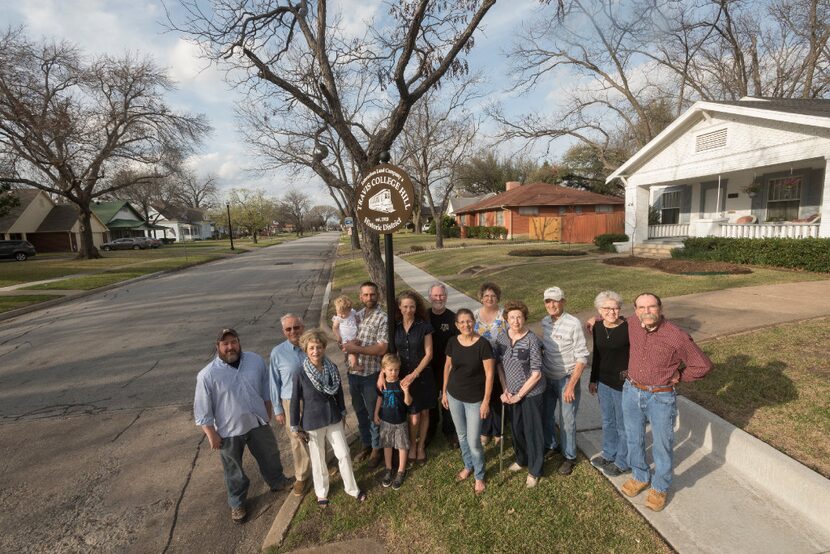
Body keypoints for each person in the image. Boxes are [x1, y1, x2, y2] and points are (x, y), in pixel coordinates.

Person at [620, 293, 712, 512]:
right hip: (631, 390)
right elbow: (614, 320)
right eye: (641, 307)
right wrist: (594, 321)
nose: (647, 311)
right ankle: (640, 475)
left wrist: (680, 374)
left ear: (660, 309)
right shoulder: (633, 323)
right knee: (633, 438)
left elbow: (702, 365)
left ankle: (660, 486)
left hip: (659, 396)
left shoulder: (676, 336)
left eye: (651, 307)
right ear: (636, 311)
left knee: (662, 444)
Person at [194, 328, 291, 524]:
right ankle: (237, 502)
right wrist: (211, 434)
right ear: (218, 347)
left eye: (234, 342)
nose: (230, 347)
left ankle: (278, 482)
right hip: (228, 431)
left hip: (257, 422)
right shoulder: (207, 375)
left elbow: (266, 386)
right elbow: (202, 409)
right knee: (233, 470)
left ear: (239, 342)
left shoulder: (254, 361)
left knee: (270, 455)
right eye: (225, 344)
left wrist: (268, 409)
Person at [291, 329, 367, 506]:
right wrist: (294, 425)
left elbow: (339, 391)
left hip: (333, 417)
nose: (315, 351)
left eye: (318, 347)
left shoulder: (331, 367)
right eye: (311, 348)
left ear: (324, 348)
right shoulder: (299, 372)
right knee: (318, 460)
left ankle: (352, 489)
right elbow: (295, 399)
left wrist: (342, 411)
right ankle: (322, 493)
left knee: (344, 453)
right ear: (305, 349)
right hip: (312, 421)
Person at [442, 308, 495, 496]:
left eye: (469, 321)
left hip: (475, 400)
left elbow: (490, 374)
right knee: (462, 436)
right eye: (462, 322)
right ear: (457, 325)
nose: (466, 325)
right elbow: (447, 367)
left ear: (474, 322)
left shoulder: (483, 344)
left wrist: (486, 401)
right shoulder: (452, 342)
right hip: (454, 395)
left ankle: (479, 475)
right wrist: (444, 392)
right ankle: (468, 465)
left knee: (473, 441)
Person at [495, 300, 545, 488]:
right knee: (516, 429)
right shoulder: (501, 338)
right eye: (512, 317)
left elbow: (536, 373)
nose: (516, 321)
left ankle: (535, 469)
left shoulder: (532, 340)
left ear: (525, 318)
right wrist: (506, 389)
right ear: (506, 319)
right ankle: (521, 459)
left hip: (531, 394)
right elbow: (500, 365)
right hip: (511, 392)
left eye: (519, 317)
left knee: (533, 432)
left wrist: (519, 395)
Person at [540, 286, 589, 476]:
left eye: (555, 300)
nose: (551, 305)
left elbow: (582, 357)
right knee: (547, 415)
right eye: (548, 301)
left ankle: (569, 456)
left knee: (567, 420)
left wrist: (571, 385)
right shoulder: (545, 322)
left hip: (567, 378)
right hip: (548, 377)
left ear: (563, 302)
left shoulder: (573, 323)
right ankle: (551, 444)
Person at [342, 281, 389, 469]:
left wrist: (356, 348)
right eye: (365, 295)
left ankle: (377, 448)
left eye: (372, 294)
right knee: (360, 411)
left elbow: (382, 347)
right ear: (360, 297)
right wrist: (346, 346)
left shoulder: (382, 318)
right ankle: (366, 443)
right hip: (353, 373)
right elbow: (344, 337)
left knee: (373, 413)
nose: (369, 298)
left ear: (377, 296)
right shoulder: (355, 316)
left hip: (371, 373)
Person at [268, 314, 312, 497]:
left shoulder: (312, 345)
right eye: (288, 329)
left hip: (314, 399)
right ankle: (301, 477)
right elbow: (273, 382)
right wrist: (277, 409)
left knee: (319, 434)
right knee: (297, 439)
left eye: (296, 327)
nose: (293, 331)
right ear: (283, 331)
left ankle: (325, 463)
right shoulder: (277, 353)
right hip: (290, 401)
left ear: (302, 327)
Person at [588, 291, 631, 478]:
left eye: (615, 308)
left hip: (623, 384)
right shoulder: (597, 327)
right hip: (603, 382)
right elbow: (596, 354)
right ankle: (608, 453)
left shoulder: (629, 327)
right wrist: (592, 379)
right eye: (607, 308)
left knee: (623, 424)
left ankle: (623, 461)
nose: (612, 312)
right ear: (599, 310)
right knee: (607, 420)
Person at [389, 290, 435, 464]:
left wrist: (415, 374)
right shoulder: (395, 327)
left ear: (416, 308)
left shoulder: (424, 326)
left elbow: (429, 354)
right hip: (404, 378)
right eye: (405, 306)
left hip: (422, 376)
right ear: (399, 308)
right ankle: (411, 444)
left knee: (424, 413)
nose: (409, 310)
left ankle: (420, 446)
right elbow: (392, 353)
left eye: (412, 306)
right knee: (413, 415)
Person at [473, 282, 507, 446]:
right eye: (486, 295)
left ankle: (498, 431)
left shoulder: (504, 315)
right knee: (483, 396)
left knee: (498, 396)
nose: (489, 298)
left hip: (501, 362)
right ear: (481, 298)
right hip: (480, 363)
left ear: (498, 297)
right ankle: (485, 430)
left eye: (493, 295)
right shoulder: (475, 315)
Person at [426, 282, 459, 448]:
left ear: (446, 297)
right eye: (436, 295)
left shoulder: (453, 318)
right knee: (431, 400)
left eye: (442, 295)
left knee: (448, 400)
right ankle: (430, 429)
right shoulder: (423, 316)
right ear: (430, 297)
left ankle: (449, 431)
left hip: (448, 366)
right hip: (428, 367)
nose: (439, 298)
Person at [373, 353, 413, 490]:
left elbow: (408, 403)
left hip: (400, 421)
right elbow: (379, 398)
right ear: (383, 370)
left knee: (402, 446)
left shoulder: (402, 383)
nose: (394, 372)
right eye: (390, 370)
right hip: (386, 421)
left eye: (396, 369)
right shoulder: (381, 384)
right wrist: (376, 413)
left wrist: (406, 391)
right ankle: (388, 469)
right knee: (387, 445)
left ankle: (401, 470)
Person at [332, 295, 360, 370]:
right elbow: (335, 328)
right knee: (352, 352)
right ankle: (354, 365)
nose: (341, 315)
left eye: (343, 313)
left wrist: (357, 320)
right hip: (346, 338)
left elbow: (357, 319)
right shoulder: (338, 318)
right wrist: (338, 336)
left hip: (355, 336)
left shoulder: (352, 312)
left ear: (349, 310)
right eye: (338, 312)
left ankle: (350, 361)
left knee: (356, 351)